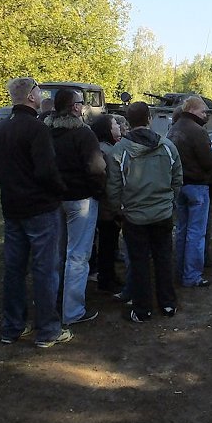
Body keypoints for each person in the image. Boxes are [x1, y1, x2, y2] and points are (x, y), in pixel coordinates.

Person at [0, 77, 72, 348]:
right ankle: (48, 329)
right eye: (39, 92)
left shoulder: (1, 129)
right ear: (30, 97)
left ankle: (11, 327)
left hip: (13, 208)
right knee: (45, 269)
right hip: (40, 208)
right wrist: (59, 191)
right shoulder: (37, 129)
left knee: (14, 269)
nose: (41, 96)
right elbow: (46, 170)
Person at [108, 102, 182, 322]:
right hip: (157, 213)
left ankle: (143, 309)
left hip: (136, 215)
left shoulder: (120, 150)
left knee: (139, 262)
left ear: (128, 122)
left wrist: (117, 210)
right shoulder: (167, 146)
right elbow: (177, 179)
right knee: (163, 258)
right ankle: (167, 304)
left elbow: (113, 186)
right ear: (149, 118)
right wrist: (170, 202)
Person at [47, 89, 106, 325]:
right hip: (80, 199)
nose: (83, 107)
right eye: (81, 103)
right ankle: (72, 311)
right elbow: (96, 168)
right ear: (74, 107)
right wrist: (99, 191)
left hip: (54, 198)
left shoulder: (46, 132)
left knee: (57, 254)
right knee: (78, 256)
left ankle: (53, 303)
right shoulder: (83, 134)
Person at [167, 95, 212, 288]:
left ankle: (180, 270)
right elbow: (207, 161)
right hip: (197, 186)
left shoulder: (173, 129)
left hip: (179, 185)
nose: (205, 115)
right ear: (192, 110)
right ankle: (191, 275)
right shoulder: (197, 131)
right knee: (196, 233)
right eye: (203, 111)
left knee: (182, 230)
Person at [89, 114, 124, 294]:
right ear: (107, 129)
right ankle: (106, 278)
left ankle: (107, 275)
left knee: (108, 243)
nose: (118, 126)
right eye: (115, 124)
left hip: (106, 204)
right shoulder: (106, 151)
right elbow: (107, 180)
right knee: (107, 244)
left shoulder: (107, 148)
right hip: (107, 206)